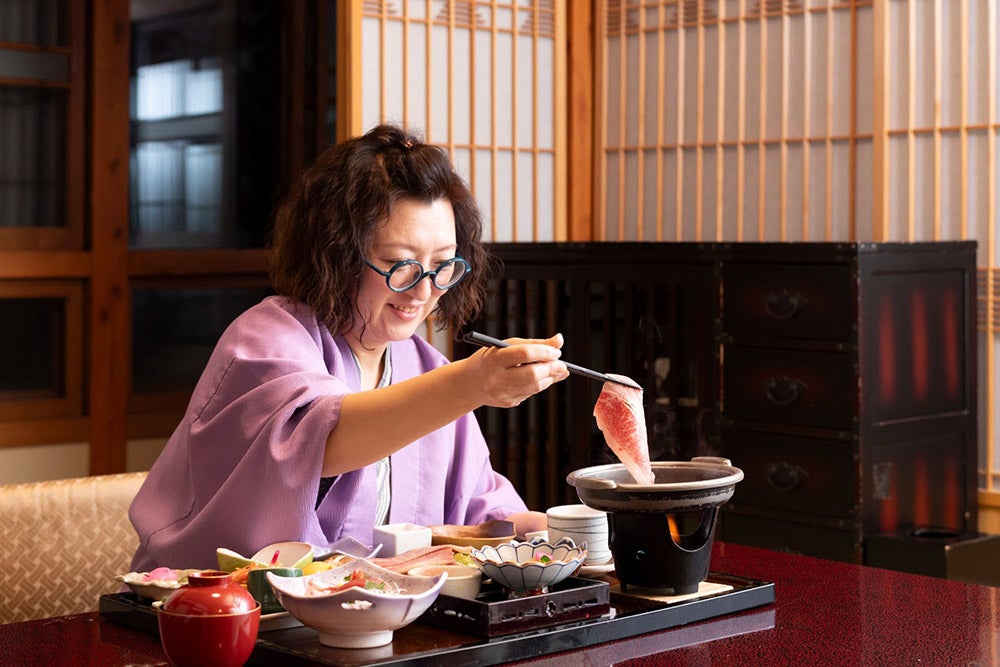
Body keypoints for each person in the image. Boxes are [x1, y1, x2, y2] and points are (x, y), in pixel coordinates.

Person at [128, 124, 570, 570]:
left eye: (443, 265)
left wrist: (557, 530)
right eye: (400, 264)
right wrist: (471, 385)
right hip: (224, 615)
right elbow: (320, 443)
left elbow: (477, 513)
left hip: (377, 618)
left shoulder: (425, 366)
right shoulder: (265, 339)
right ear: (338, 252)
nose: (423, 291)